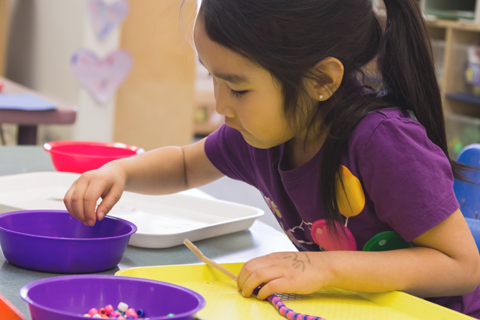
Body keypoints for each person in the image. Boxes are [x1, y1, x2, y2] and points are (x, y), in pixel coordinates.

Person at [64, 0, 480, 317]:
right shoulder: (260, 133)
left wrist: (325, 269)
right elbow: (186, 165)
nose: (221, 106)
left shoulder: (382, 142)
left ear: (321, 80)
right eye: (214, 78)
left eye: (238, 88)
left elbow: (461, 265)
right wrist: (119, 170)